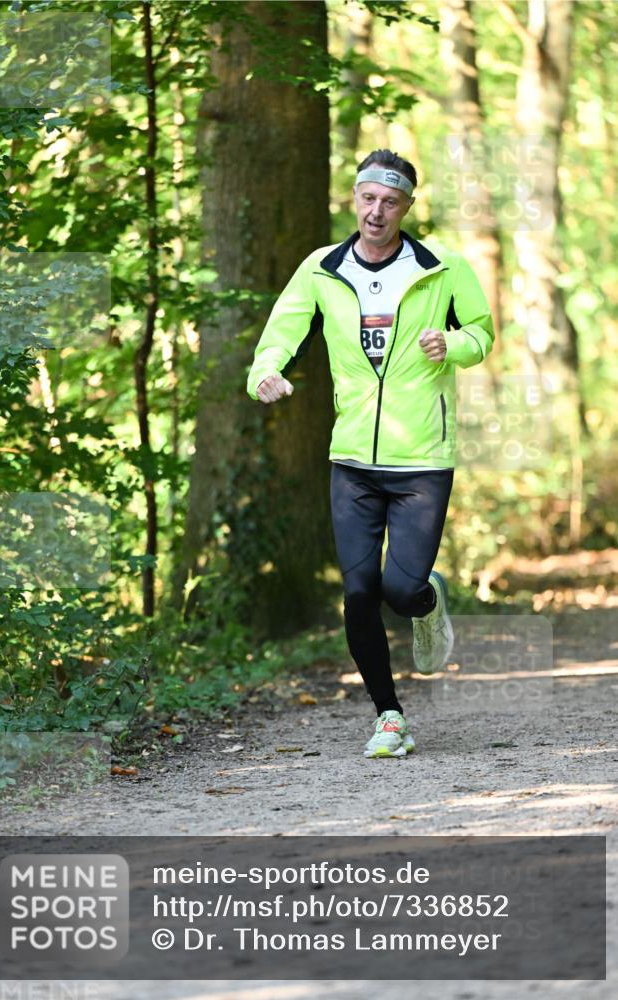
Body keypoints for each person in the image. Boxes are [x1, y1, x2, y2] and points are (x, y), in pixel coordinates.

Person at [246, 149, 494, 759]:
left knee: (399, 590)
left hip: (421, 462)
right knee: (358, 593)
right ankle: (389, 716)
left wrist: (454, 343)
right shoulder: (321, 269)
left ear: (407, 206)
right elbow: (280, 336)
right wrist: (265, 374)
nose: (376, 211)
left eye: (390, 201)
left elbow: (484, 333)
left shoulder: (442, 267)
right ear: (354, 200)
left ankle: (427, 601)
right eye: (367, 198)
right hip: (353, 458)